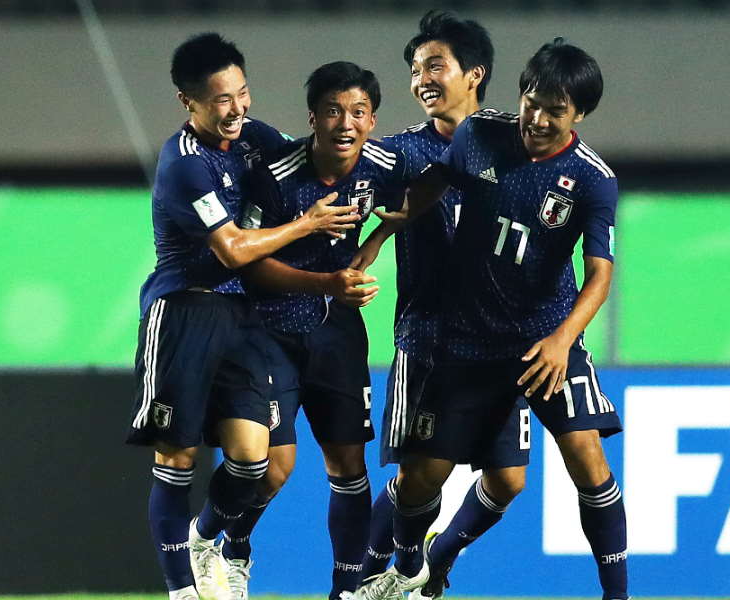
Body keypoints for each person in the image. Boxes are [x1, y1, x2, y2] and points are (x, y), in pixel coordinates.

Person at [361, 38, 629, 600]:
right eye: (532, 101)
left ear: (578, 114)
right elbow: (436, 182)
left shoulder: (592, 179)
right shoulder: (480, 136)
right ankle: (410, 569)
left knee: (586, 454)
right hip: (468, 343)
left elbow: (600, 275)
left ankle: (617, 594)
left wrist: (562, 341)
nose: (537, 118)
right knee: (421, 478)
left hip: (543, 341)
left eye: (554, 111)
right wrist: (387, 230)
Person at [125, 33, 359, 600]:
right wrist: (305, 225)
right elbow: (230, 249)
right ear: (190, 103)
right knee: (177, 456)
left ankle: (209, 538)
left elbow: (313, 158)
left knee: (258, 461)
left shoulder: (256, 140)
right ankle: (183, 591)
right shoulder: (184, 165)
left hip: (243, 315)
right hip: (182, 311)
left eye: (243, 93)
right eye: (221, 100)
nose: (237, 109)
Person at [350, 12, 531, 600]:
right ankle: (371, 579)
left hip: (503, 344)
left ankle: (436, 558)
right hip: (431, 339)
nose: (421, 78)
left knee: (508, 479)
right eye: (415, 69)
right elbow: (343, 189)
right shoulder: (401, 152)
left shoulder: (513, 142)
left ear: (474, 73)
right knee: (421, 477)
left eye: (435, 65)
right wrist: (359, 249)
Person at [218, 61, 408, 600]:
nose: (345, 123)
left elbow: (431, 185)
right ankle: (232, 544)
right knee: (273, 468)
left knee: (349, 466)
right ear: (312, 118)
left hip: (338, 337)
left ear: (372, 121)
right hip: (269, 333)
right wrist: (329, 282)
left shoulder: (386, 164)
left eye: (358, 112)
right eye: (332, 111)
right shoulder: (275, 176)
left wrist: (373, 244)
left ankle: (346, 589)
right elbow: (247, 265)